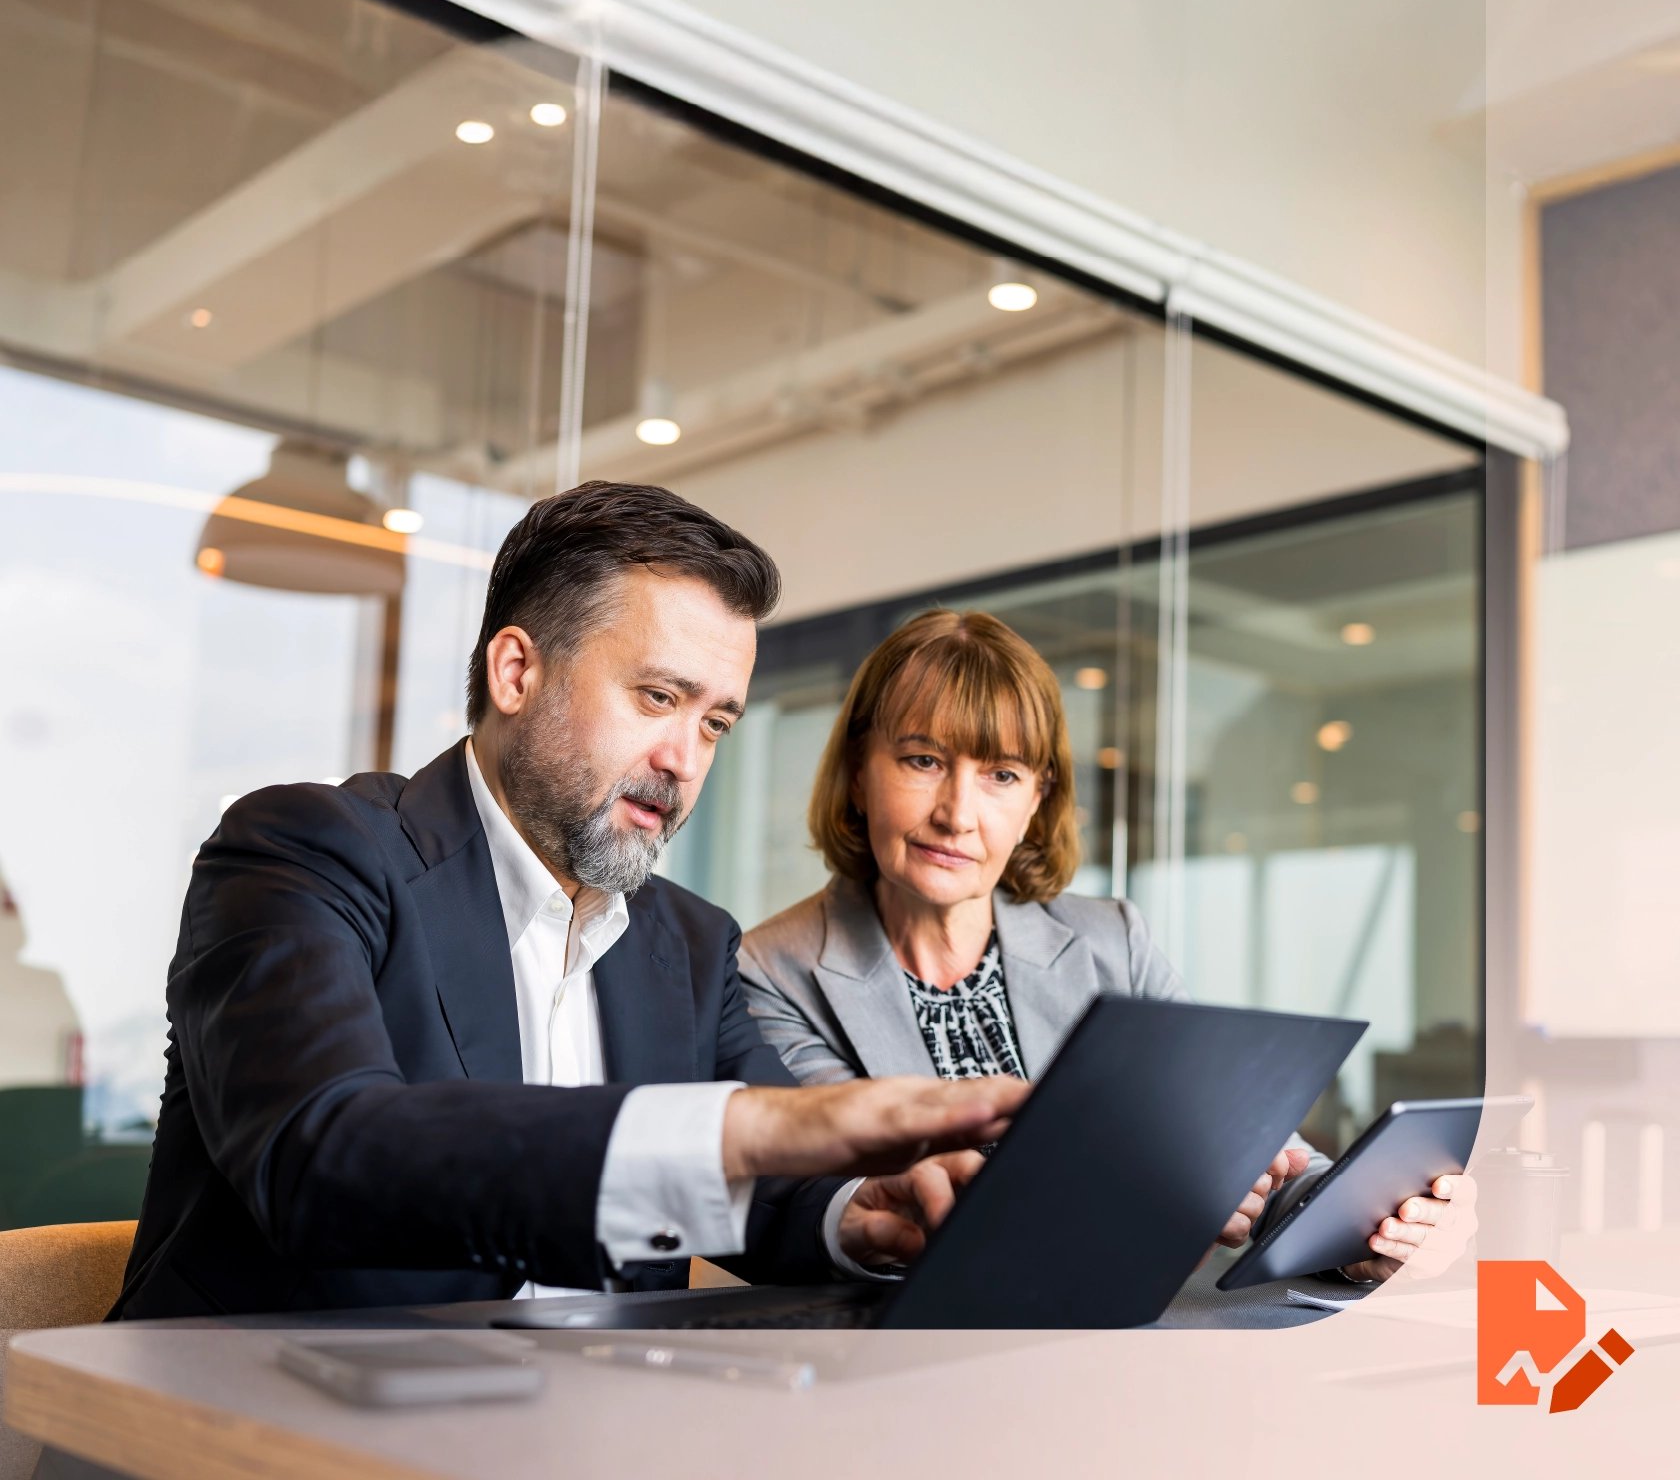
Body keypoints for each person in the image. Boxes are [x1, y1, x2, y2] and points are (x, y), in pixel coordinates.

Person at [112, 486, 1024, 1320]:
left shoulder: (692, 944)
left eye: (714, 722)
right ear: (517, 673)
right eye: (657, 697)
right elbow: (324, 1154)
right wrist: (746, 1127)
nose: (685, 759)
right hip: (254, 1426)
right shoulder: (306, 851)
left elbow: (773, 1191)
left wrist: (857, 1214)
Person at [740, 608, 1456, 1283]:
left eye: (1002, 775)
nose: (958, 814)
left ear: (1036, 802)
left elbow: (1257, 1154)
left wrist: (1369, 1228)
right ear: (860, 772)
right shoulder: (774, 969)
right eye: (923, 760)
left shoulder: (1113, 940)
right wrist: (1164, 1191)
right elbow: (834, 1196)